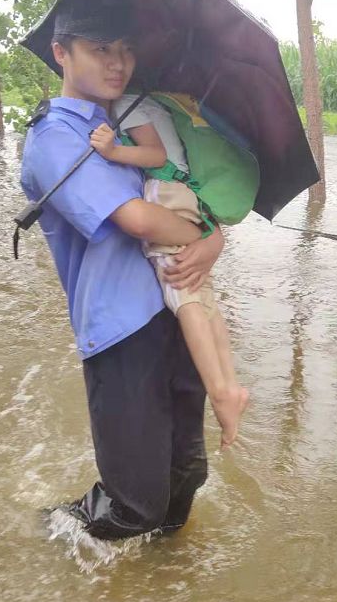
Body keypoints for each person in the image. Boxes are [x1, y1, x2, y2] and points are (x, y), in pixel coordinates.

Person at [20, 0, 225, 540]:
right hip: (120, 328)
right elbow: (137, 219)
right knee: (136, 504)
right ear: (61, 53)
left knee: (186, 476)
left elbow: (182, 202)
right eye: (100, 48)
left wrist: (214, 240)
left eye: (126, 50)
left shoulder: (134, 128)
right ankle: (44, 539)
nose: (117, 63)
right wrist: (204, 235)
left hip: (174, 312)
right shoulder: (52, 137)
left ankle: (162, 579)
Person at [90, 94, 249, 446]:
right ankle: (231, 385)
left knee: (181, 291)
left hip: (166, 191)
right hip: (188, 192)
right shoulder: (160, 100)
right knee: (203, 295)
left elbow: (155, 154)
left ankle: (220, 391)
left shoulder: (129, 102)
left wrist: (113, 151)